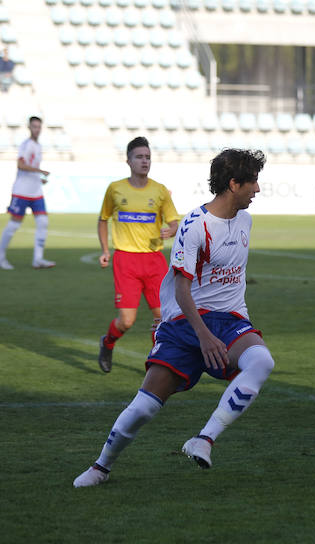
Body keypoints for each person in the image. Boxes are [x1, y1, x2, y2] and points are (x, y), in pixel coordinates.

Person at [73, 149, 274, 487]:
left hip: (228, 321)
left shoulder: (246, 220)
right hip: (185, 322)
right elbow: (183, 289)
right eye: (252, 182)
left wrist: (220, 330)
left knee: (262, 361)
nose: (257, 189)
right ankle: (101, 467)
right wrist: (203, 335)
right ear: (233, 183)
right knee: (144, 408)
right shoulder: (195, 226)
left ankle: (204, 439)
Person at [97, 137, 180, 373]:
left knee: (161, 317)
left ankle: (157, 361)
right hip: (126, 260)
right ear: (128, 160)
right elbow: (103, 219)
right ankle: (107, 342)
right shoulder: (115, 189)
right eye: (139, 157)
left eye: (147, 157)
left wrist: (171, 230)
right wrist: (105, 250)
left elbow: (174, 221)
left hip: (154, 261)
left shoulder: (160, 190)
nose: (144, 161)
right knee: (126, 321)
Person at [0, 116, 54, 270]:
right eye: (34, 126)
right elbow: (20, 165)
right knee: (14, 224)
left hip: (36, 191)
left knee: (43, 222)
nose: (37, 129)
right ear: (29, 128)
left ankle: (38, 259)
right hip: (22, 191)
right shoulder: (26, 145)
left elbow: (30, 168)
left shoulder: (38, 146)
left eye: (39, 127)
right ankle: (1, 257)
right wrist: (40, 171)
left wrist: (39, 178)